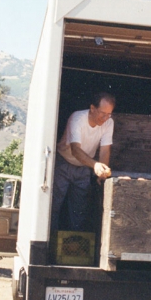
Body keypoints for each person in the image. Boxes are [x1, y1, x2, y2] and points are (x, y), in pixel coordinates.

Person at [51, 92, 115, 232]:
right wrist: (95, 165)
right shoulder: (77, 119)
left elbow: (105, 150)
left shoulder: (109, 123)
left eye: (109, 114)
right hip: (63, 163)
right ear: (92, 108)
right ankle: (50, 244)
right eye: (102, 113)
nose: (105, 118)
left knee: (79, 210)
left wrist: (102, 173)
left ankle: (74, 245)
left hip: (84, 167)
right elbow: (75, 150)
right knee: (53, 206)